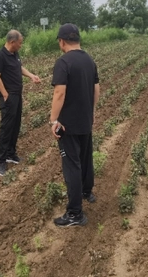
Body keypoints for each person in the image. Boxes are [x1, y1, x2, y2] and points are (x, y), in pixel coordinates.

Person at [49, 23, 100, 227]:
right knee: (85, 159)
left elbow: (59, 93)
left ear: (62, 41)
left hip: (67, 124)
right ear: (77, 39)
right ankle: (87, 192)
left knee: (72, 164)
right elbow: (97, 89)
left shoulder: (63, 62)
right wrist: (91, 111)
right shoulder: (89, 60)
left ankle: (75, 214)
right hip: (85, 119)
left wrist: (54, 120)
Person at [0, 30, 41, 176]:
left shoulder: (14, 54)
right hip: (8, 96)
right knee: (6, 127)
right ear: (12, 42)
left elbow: (19, 67)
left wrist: (31, 75)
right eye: (20, 43)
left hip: (17, 95)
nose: (21, 45)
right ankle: (1, 160)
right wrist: (5, 94)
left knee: (15, 125)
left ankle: (11, 154)